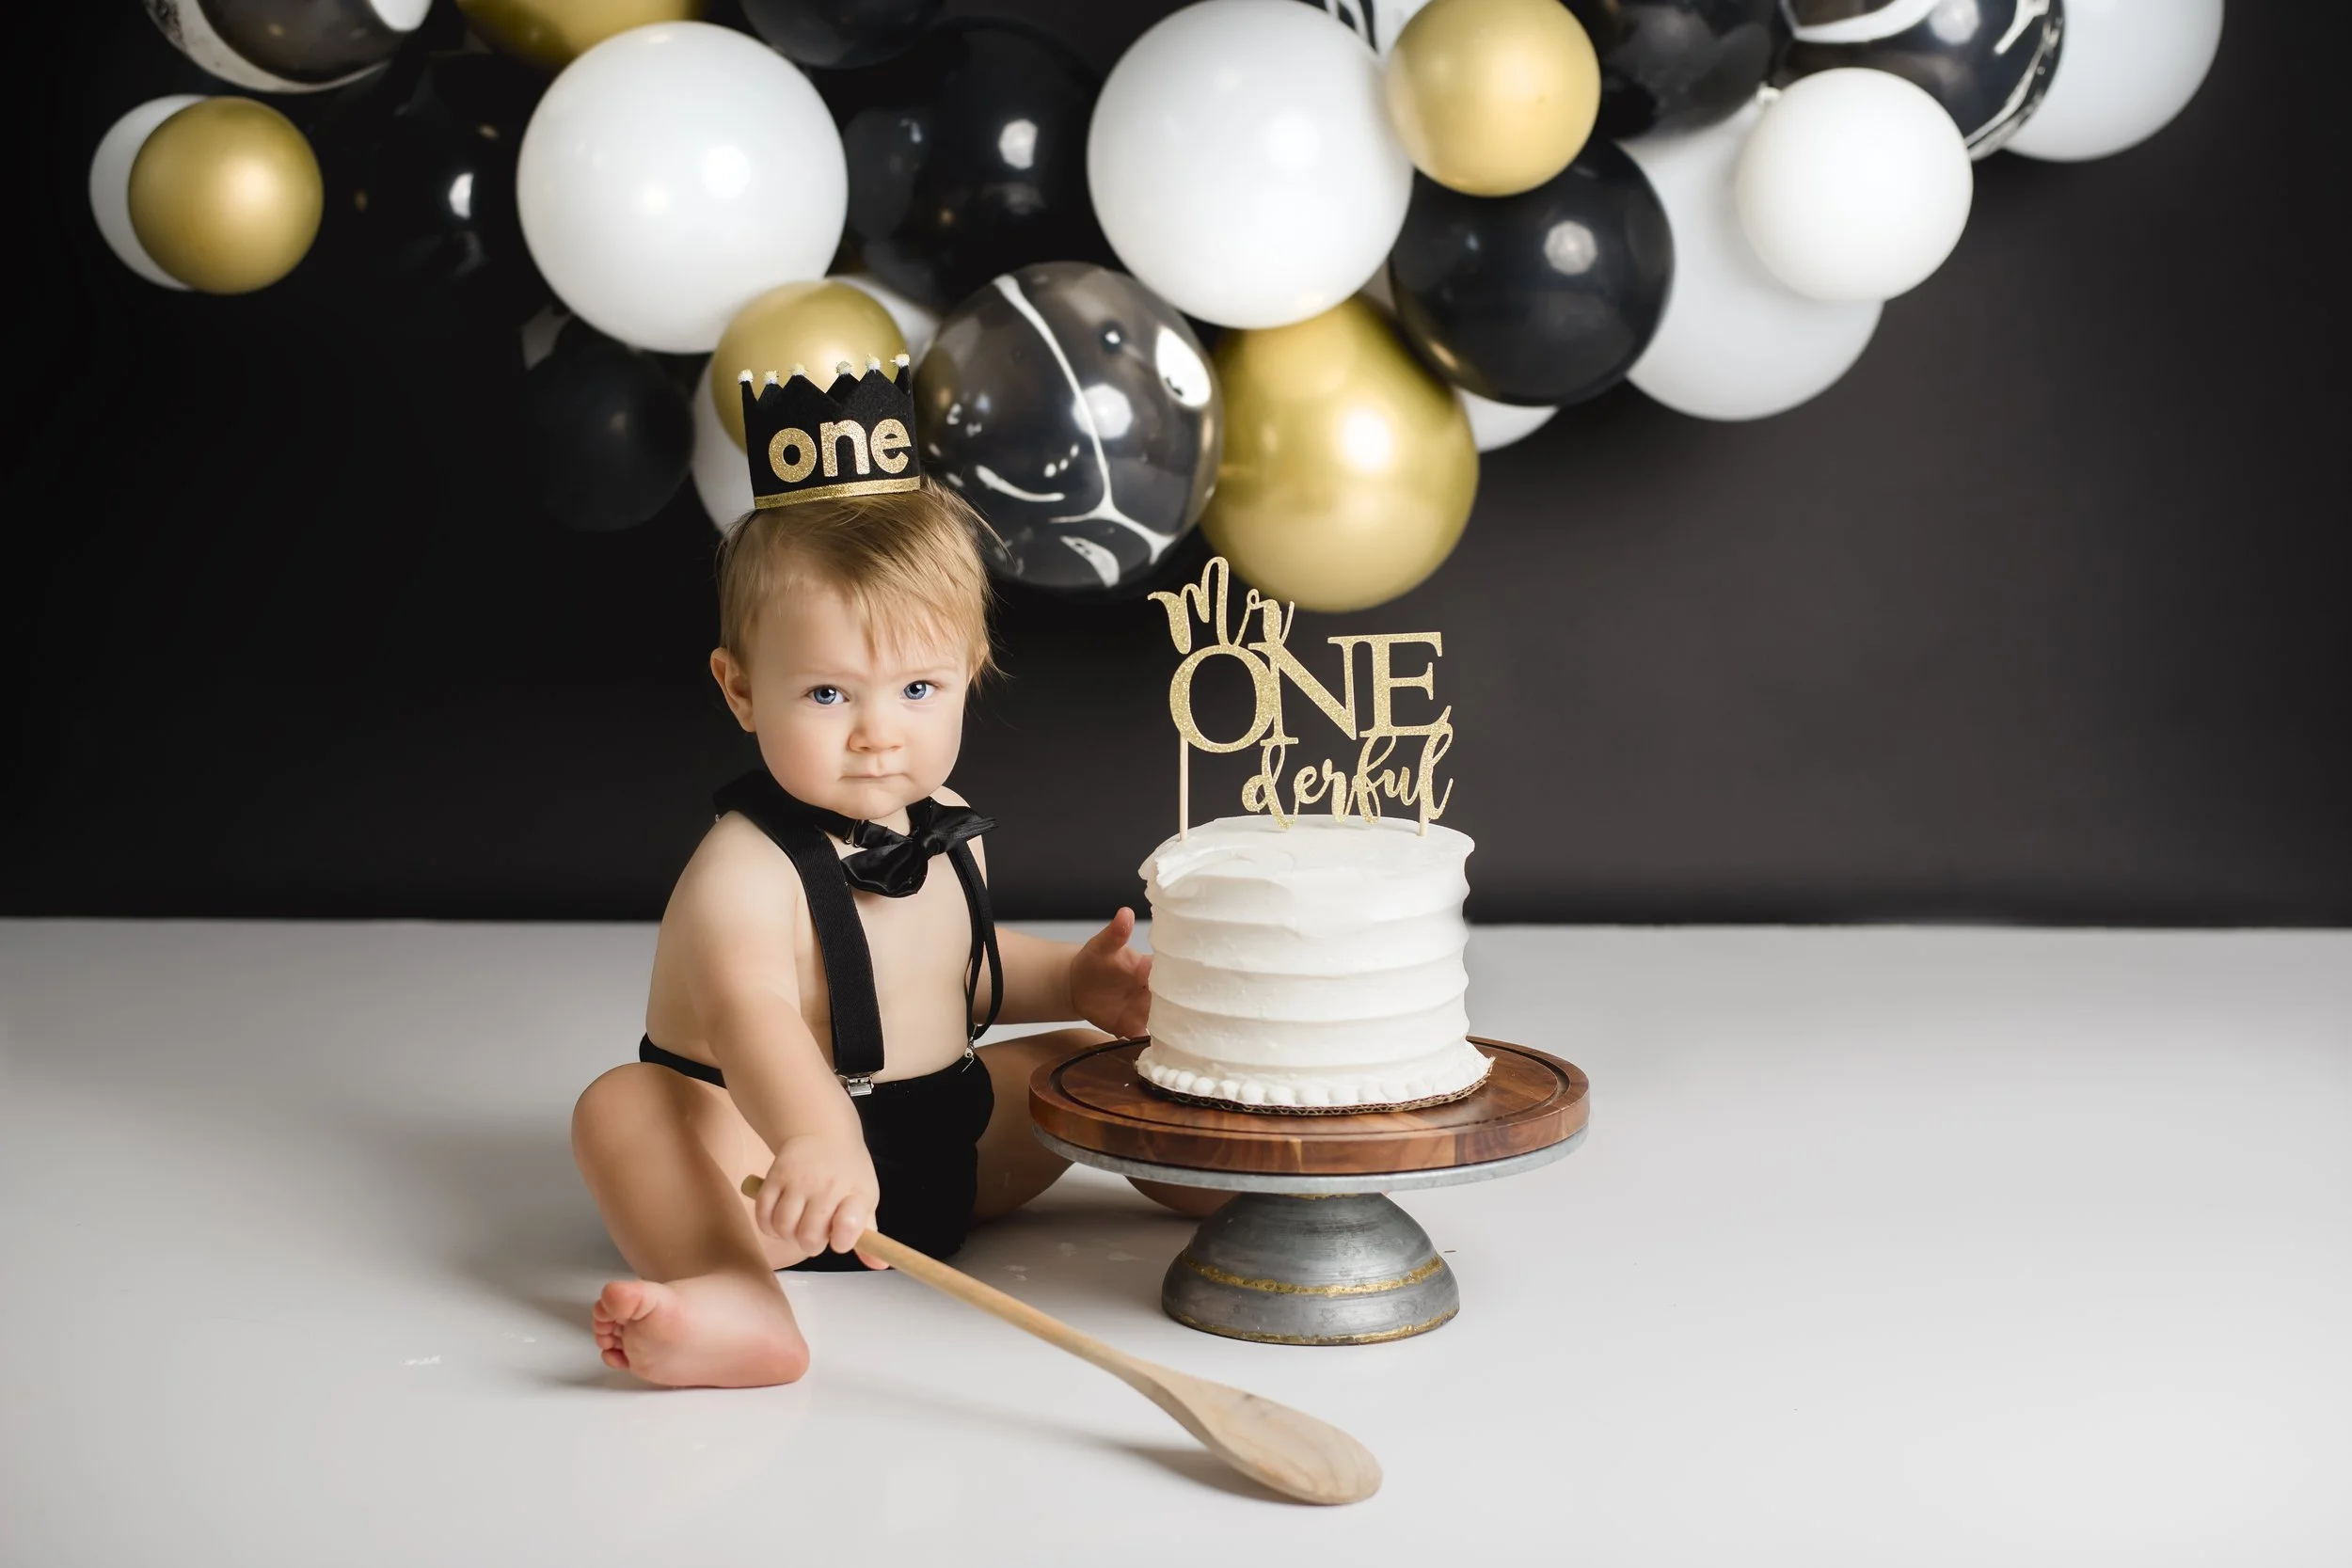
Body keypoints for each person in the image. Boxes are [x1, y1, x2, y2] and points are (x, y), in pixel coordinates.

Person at [570, 359, 1218, 1390]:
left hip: (948, 1147)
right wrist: (818, 1136)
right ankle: (734, 1293)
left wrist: (1074, 982)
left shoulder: (948, 825)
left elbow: (955, 970)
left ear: (969, 671)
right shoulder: (739, 869)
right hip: (773, 1174)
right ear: (740, 689)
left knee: (1101, 1063)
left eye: (917, 688)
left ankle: (1227, 1188)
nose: (879, 732)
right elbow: (749, 1017)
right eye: (829, 693)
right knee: (624, 1108)